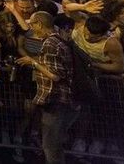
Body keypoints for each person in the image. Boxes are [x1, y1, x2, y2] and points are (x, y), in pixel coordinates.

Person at [16, 12, 78, 164]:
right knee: (55, 143)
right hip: (61, 98)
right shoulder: (59, 38)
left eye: (32, 24)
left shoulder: (50, 43)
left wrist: (33, 63)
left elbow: (56, 75)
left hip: (56, 98)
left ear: (39, 24)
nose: (31, 28)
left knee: (50, 145)